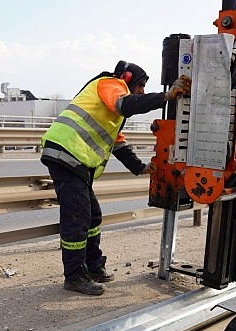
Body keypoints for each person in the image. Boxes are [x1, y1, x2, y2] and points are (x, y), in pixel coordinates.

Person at [40, 60, 191, 295]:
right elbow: (125, 104)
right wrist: (165, 96)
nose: (141, 91)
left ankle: (93, 267)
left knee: (92, 217)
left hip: (75, 160)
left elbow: (118, 143)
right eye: (140, 85)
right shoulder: (110, 83)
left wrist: (140, 168)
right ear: (128, 79)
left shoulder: (110, 113)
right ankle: (74, 277)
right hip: (66, 153)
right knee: (77, 218)